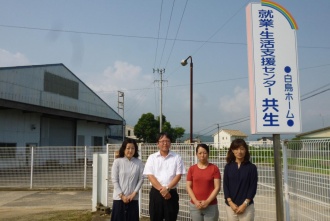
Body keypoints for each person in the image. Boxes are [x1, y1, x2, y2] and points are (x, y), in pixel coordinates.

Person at [143, 132, 186, 221]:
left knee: (171, 218)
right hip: (156, 193)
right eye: (162, 141)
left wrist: (168, 189)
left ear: (170, 143)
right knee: (155, 218)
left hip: (171, 194)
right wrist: (163, 191)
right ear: (157, 143)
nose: (165, 143)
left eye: (167, 141)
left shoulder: (177, 157)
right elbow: (150, 175)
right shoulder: (152, 157)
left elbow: (178, 175)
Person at [223, 139, 258, 221]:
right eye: (236, 149)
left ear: (245, 150)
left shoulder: (252, 168)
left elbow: (253, 188)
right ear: (232, 150)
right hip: (230, 207)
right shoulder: (228, 167)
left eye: (242, 149)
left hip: (247, 207)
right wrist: (230, 202)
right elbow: (225, 185)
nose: (239, 151)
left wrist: (245, 204)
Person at [111, 138, 144, 221]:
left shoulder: (139, 162)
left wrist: (133, 194)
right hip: (119, 199)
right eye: (128, 148)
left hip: (133, 199)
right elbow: (114, 180)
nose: (130, 150)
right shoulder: (117, 162)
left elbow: (141, 179)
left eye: (133, 148)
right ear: (124, 149)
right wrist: (121, 196)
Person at [186, 143, 221, 221]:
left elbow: (217, 187)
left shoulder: (214, 168)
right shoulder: (192, 169)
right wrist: (195, 201)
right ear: (196, 154)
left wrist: (207, 201)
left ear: (208, 154)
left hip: (211, 205)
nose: (202, 155)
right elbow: (188, 186)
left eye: (205, 153)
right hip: (195, 206)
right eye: (200, 153)